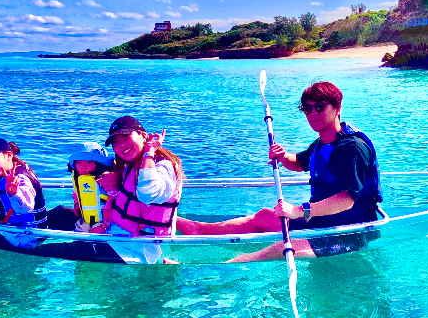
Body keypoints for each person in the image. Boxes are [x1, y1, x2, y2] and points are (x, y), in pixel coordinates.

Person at [176, 81, 381, 261]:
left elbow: (347, 199)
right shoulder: (324, 142)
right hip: (323, 221)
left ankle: (220, 267)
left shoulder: (351, 148)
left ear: (337, 108)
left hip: (349, 231)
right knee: (265, 216)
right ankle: (200, 230)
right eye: (308, 109)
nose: (313, 113)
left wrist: (299, 211)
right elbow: (299, 163)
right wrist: (283, 156)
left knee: (282, 248)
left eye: (320, 107)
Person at [90, 115, 184, 264]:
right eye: (116, 142)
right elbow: (129, 198)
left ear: (143, 136)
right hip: (117, 238)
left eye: (126, 137)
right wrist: (111, 189)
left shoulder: (164, 166)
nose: (121, 145)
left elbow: (148, 194)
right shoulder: (130, 166)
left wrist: (149, 152)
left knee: (50, 253)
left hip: (138, 250)